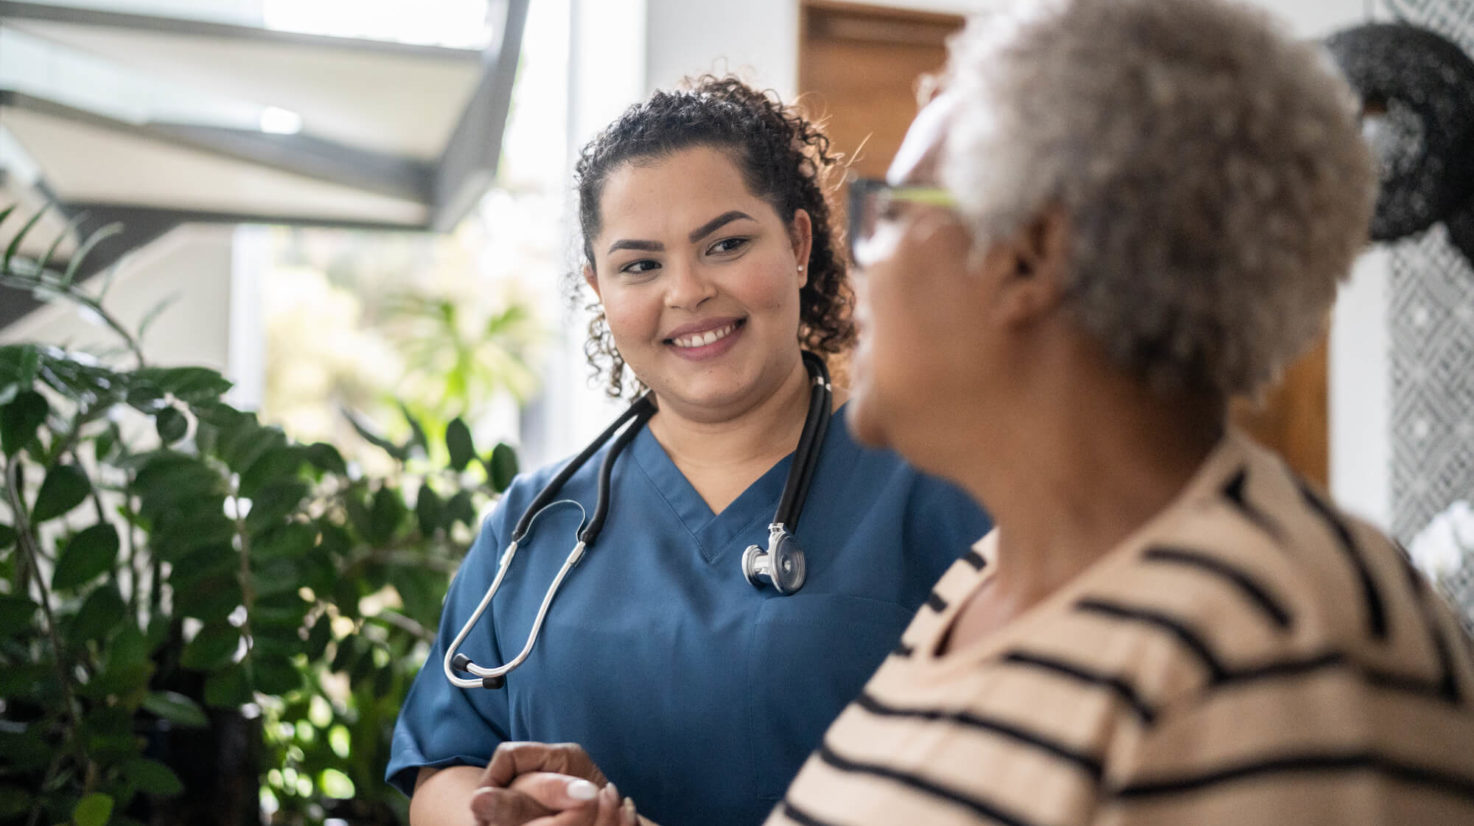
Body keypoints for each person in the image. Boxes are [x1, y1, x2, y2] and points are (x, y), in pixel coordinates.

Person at [492, 0, 1474, 823]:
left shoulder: (1281, 637)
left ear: (1026, 258)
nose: (854, 258)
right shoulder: (978, 592)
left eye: (889, 211)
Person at [386, 75, 991, 826]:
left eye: (727, 244)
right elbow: (443, 772)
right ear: (599, 290)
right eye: (640, 265)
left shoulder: (944, 489)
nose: (688, 290)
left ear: (799, 245)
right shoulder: (533, 522)